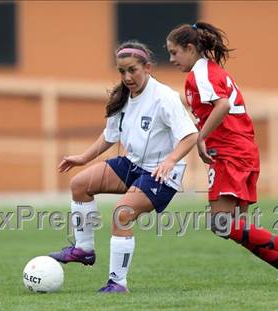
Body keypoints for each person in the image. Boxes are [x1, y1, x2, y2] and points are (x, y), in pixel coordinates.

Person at [166, 22, 278, 285]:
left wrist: (201, 138)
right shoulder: (212, 71)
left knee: (221, 224)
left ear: (189, 48)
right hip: (242, 150)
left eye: (174, 52)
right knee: (237, 229)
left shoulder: (200, 74)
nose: (171, 59)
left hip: (230, 153)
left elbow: (223, 104)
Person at [49, 41, 198, 293]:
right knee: (80, 185)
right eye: (121, 71)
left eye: (132, 70)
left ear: (147, 68)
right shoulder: (122, 97)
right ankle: (84, 250)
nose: (127, 77)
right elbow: (110, 135)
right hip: (134, 164)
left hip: (161, 174)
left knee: (122, 213)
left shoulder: (165, 98)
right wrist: (84, 158)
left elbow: (190, 135)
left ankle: (117, 283)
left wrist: (170, 160)